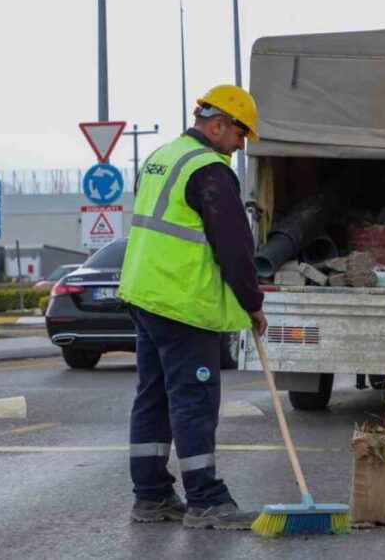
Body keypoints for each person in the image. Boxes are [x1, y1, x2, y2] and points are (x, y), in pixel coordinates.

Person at [119, 84, 269, 529]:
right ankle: (205, 498)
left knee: (153, 398)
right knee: (194, 400)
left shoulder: (162, 157)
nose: (241, 145)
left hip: (146, 296)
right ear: (218, 124)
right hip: (182, 303)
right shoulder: (209, 170)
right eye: (240, 134)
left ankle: (150, 496)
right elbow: (235, 246)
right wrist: (252, 303)